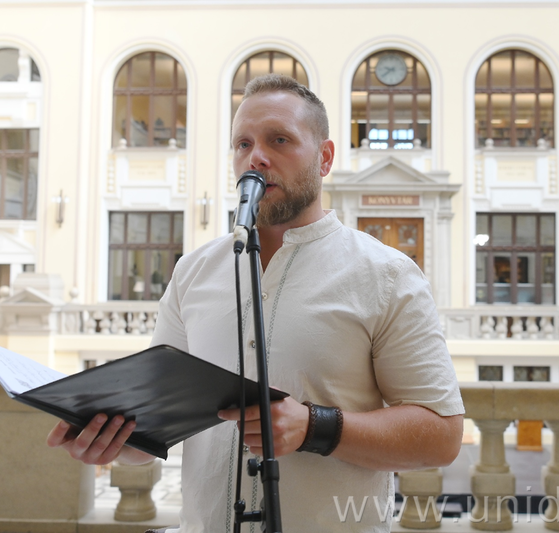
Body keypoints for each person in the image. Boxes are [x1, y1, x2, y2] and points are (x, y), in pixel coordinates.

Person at [47, 74, 465, 532]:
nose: (256, 158)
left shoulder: (387, 275)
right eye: (242, 144)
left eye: (279, 140)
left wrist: (314, 427)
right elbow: (154, 430)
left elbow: (441, 437)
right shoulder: (192, 273)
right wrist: (112, 440)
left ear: (325, 158)